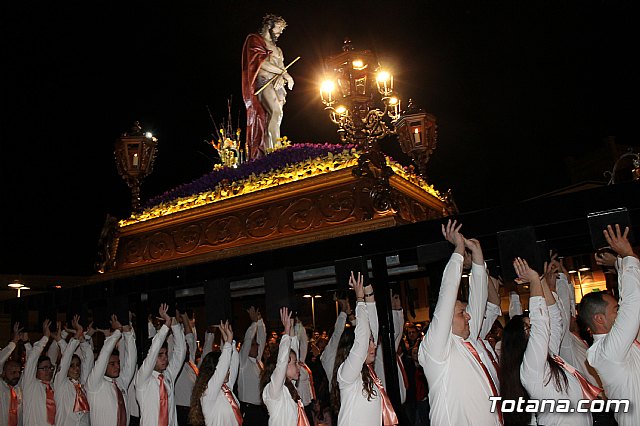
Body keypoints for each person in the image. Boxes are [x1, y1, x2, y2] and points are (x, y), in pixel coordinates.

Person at [418, 220, 501, 425]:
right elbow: (447, 293)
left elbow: (479, 299)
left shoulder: (468, 340)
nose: (469, 316)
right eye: (461, 313)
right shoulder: (436, 350)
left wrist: (478, 257)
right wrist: (458, 249)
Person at [501, 258, 595, 426]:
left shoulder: (547, 355)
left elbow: (555, 317)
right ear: (517, 339)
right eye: (528, 327)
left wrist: (542, 280)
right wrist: (534, 281)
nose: (534, 328)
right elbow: (541, 325)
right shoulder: (531, 366)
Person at [580, 224, 640, 426]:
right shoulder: (605, 353)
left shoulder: (620, 343)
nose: (620, 312)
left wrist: (620, 262)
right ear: (599, 319)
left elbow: (628, 303)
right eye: (616, 310)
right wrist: (628, 255)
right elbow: (632, 305)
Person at [331, 272, 398, 426]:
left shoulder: (368, 372)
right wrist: (359, 300)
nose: (374, 346)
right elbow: (362, 339)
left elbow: (370, 329)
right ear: (352, 348)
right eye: (370, 343)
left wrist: (369, 297)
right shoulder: (347, 373)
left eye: (373, 342)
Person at [241, 13, 294, 160]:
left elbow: (282, 67)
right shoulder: (254, 40)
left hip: (278, 87)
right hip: (264, 83)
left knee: (275, 117)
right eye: (278, 28)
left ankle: (268, 150)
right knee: (276, 112)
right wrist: (284, 74)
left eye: (282, 30)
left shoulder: (278, 50)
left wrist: (282, 77)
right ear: (268, 26)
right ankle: (276, 152)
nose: (280, 32)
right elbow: (259, 63)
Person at [135, 303, 185, 426]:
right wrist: (165, 326)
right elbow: (153, 352)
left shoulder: (168, 376)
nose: (165, 358)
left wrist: (173, 323)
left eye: (166, 354)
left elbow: (181, 351)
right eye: (160, 355)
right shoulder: (143, 378)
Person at [260, 307, 310, 426]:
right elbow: (282, 362)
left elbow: (293, 352)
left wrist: (292, 330)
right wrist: (286, 332)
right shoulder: (273, 391)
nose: (298, 367)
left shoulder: (290, 387)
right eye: (294, 363)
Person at [86, 314, 137, 426]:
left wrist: (128, 333)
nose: (117, 366)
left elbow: (131, 362)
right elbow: (103, 356)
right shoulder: (94, 384)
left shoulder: (120, 383)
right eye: (112, 364)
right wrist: (116, 332)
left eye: (118, 363)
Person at [188, 321, 241, 426]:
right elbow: (221, 369)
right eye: (226, 368)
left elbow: (234, 364)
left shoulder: (226, 388)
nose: (229, 371)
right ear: (213, 370)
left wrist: (231, 343)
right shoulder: (208, 392)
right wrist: (227, 343)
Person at [54, 315, 93, 426]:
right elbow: (66, 359)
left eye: (78, 365)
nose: (76, 369)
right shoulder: (60, 383)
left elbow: (89, 358)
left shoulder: (82, 384)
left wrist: (81, 339)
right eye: (72, 366)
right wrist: (75, 336)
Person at [238, 306, 267, 425]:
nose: (257, 346)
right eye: (254, 345)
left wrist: (260, 321)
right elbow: (248, 338)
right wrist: (254, 322)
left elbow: (262, 338)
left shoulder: (258, 361)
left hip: (261, 409)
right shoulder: (243, 361)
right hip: (249, 410)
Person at [1, 323, 23, 426]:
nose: (16, 375)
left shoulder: (19, 389)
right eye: (13, 372)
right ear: (4, 372)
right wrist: (14, 342)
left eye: (18, 372)